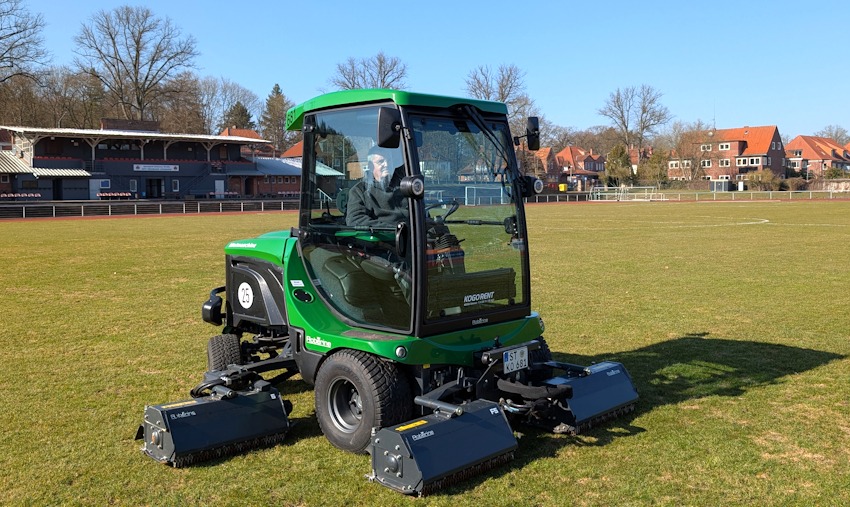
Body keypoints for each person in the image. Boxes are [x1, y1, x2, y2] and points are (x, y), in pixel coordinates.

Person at [346, 146, 409, 227]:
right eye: (381, 161)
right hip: (384, 238)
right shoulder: (360, 191)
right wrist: (394, 230)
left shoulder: (405, 186)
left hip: (414, 236)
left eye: (389, 161)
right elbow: (355, 220)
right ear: (370, 166)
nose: (386, 164)